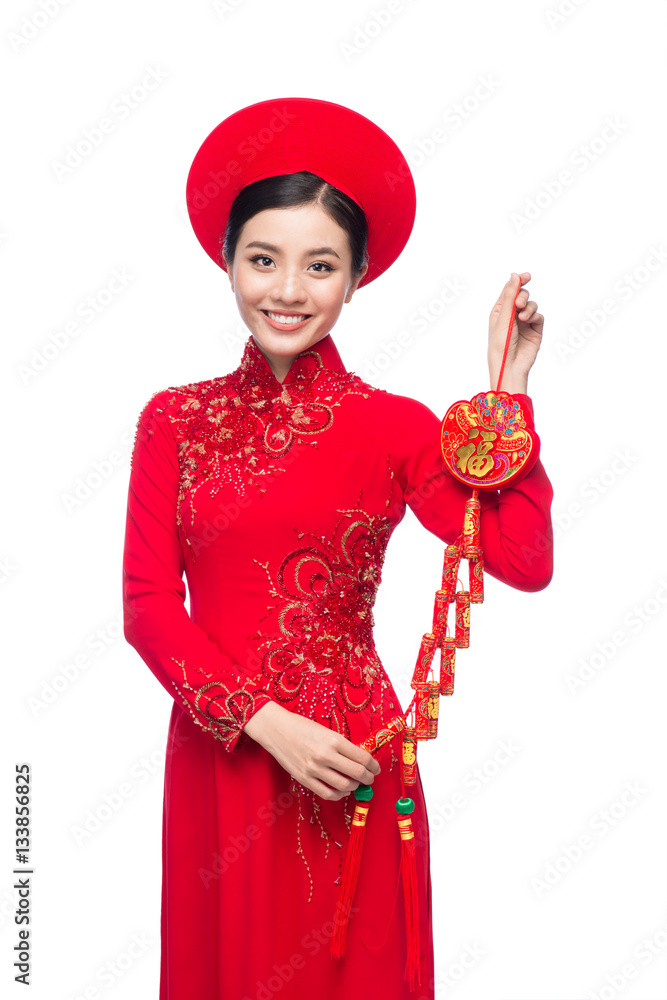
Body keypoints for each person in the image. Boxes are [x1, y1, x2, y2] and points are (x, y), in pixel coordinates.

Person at [122, 97, 553, 1000]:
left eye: (319, 265)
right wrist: (264, 723)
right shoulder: (175, 420)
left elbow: (520, 557)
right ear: (227, 263)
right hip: (225, 750)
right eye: (262, 260)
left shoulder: (391, 427)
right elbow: (149, 607)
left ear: (356, 277)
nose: (287, 290)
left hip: (353, 758)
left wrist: (506, 394)